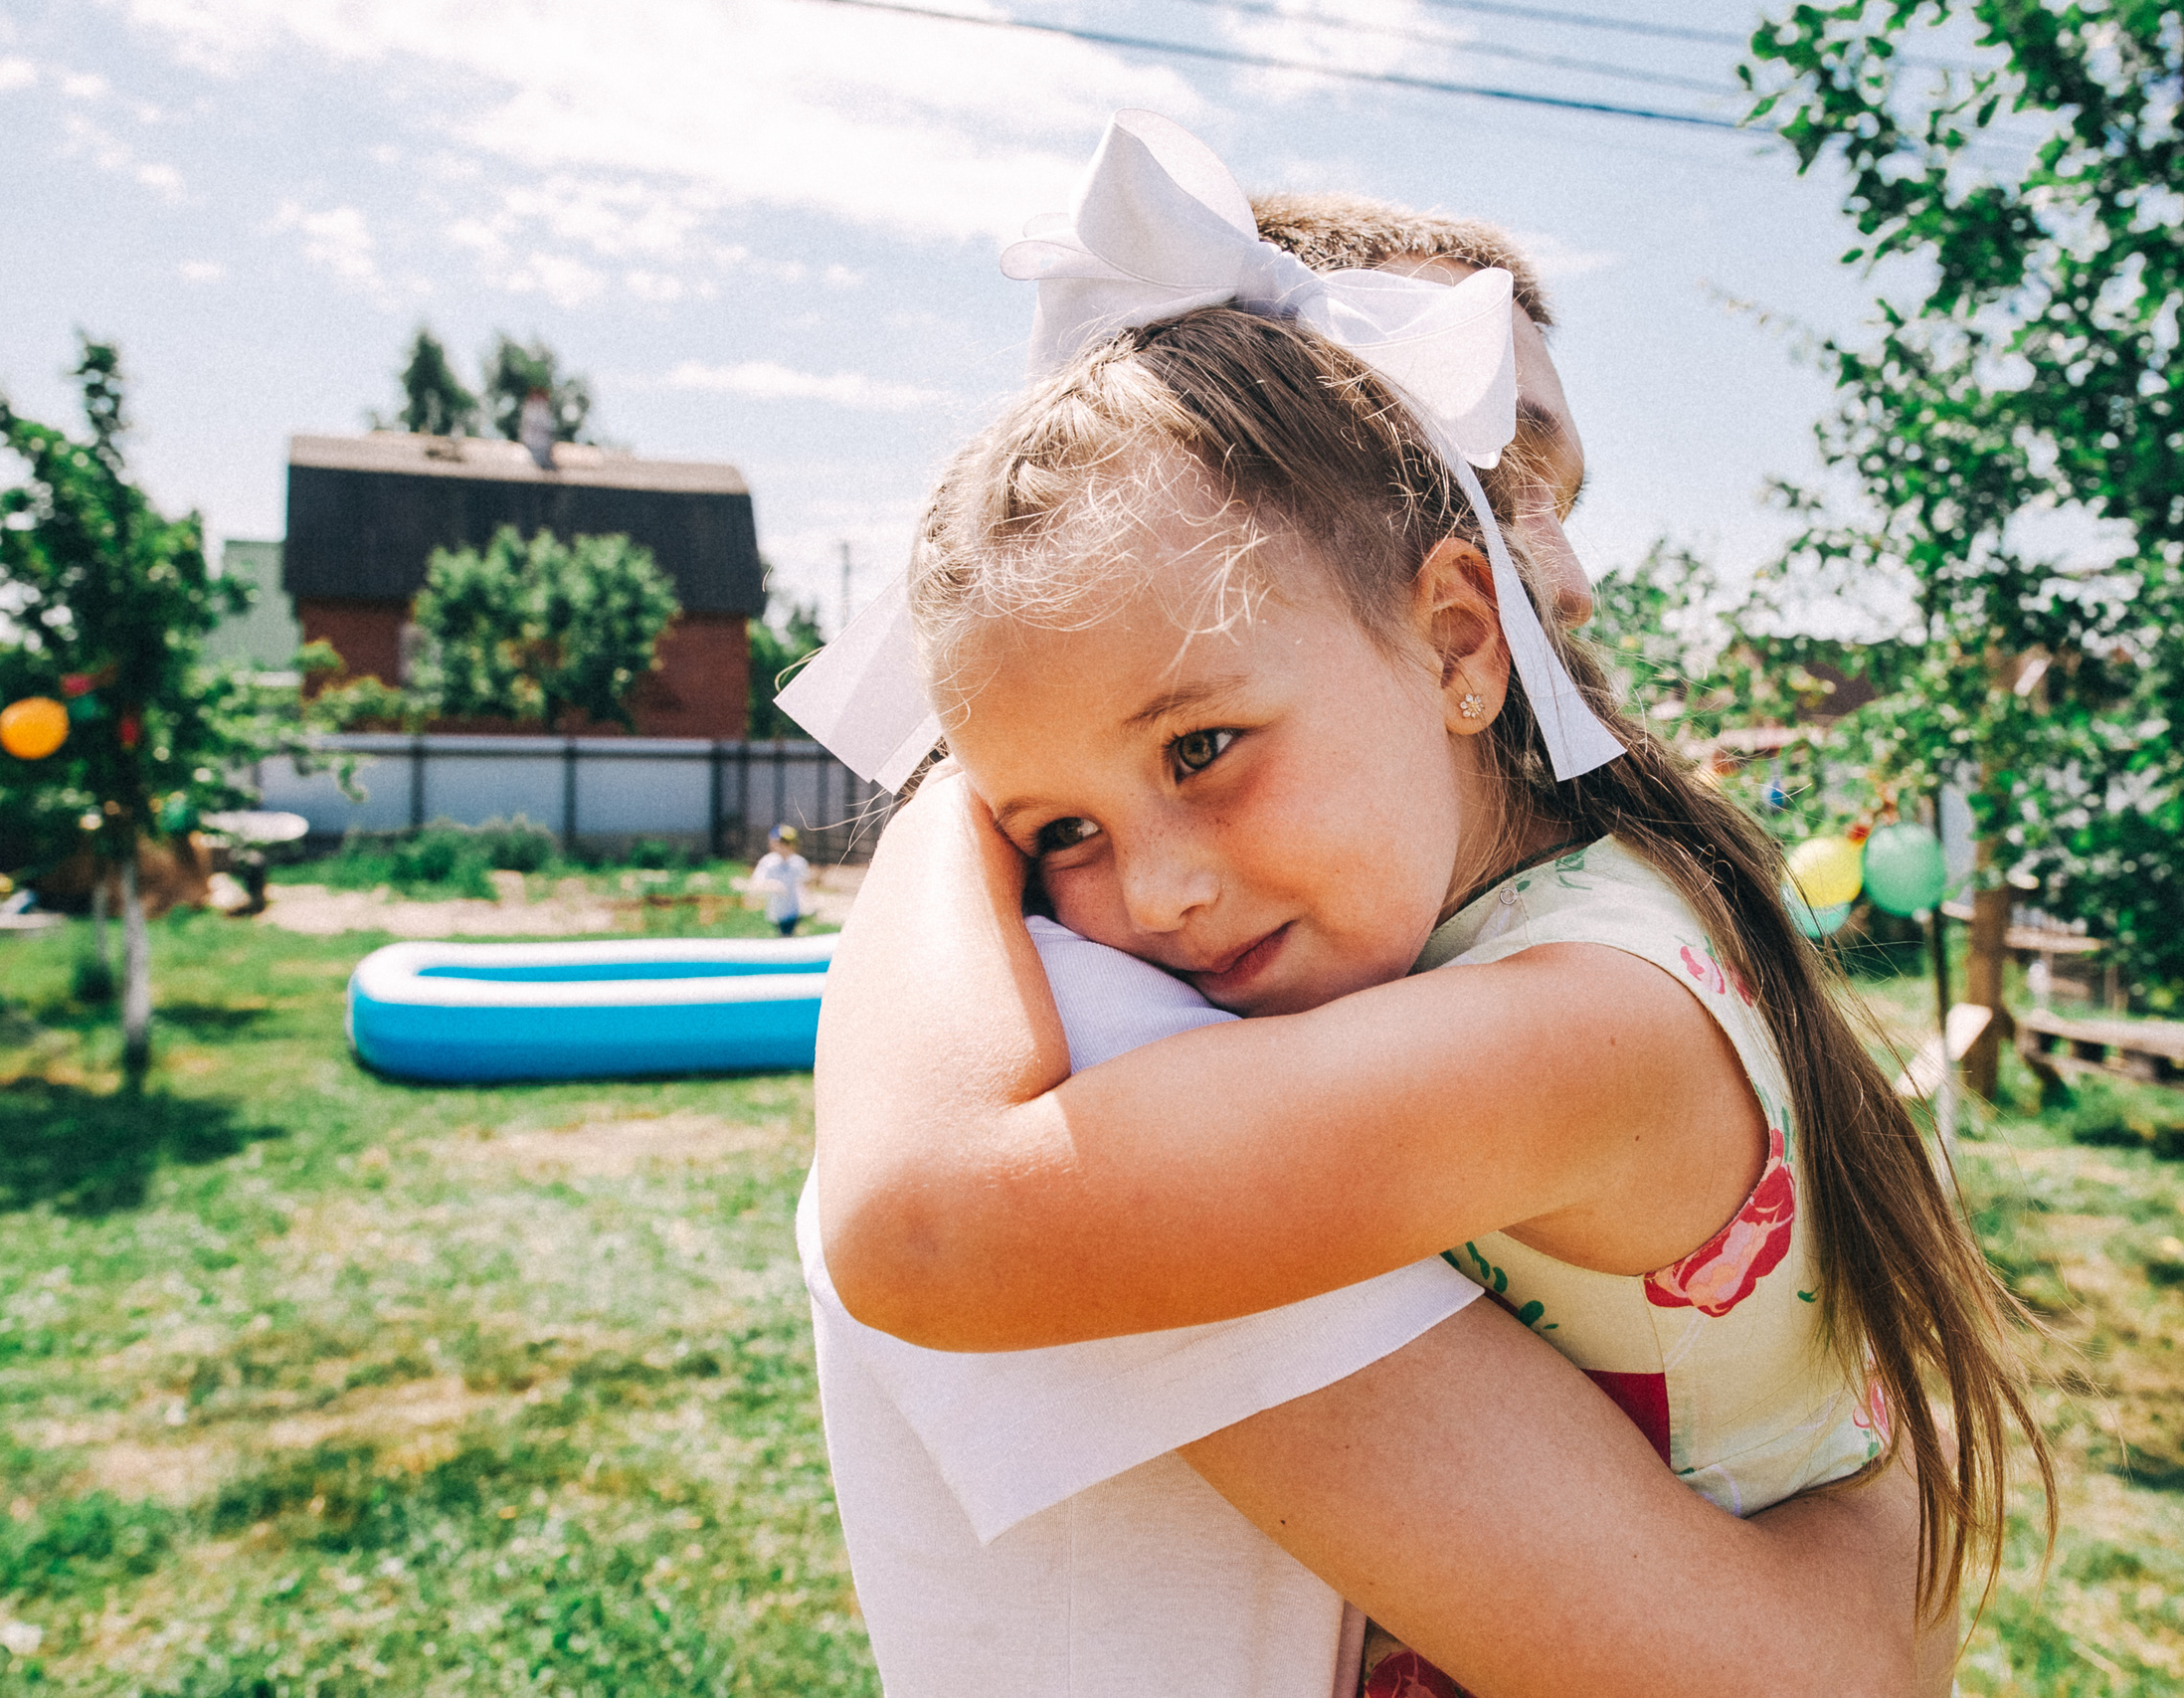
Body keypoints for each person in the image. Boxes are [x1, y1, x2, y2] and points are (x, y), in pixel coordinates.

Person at [811, 114, 2053, 1698]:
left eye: (1202, 747)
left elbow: (926, 1218)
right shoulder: (1579, 913)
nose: (1158, 887)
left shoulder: (1574, 1019)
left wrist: (958, 795)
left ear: (1453, 636)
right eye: (1059, 828)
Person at [747, 824, 810, 936]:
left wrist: (807, 904)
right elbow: (755, 883)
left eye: (787, 843)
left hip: (792, 912)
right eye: (780, 843)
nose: (784, 846)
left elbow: (804, 885)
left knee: (787, 937)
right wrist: (772, 885)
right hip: (775, 912)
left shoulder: (799, 863)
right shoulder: (768, 862)